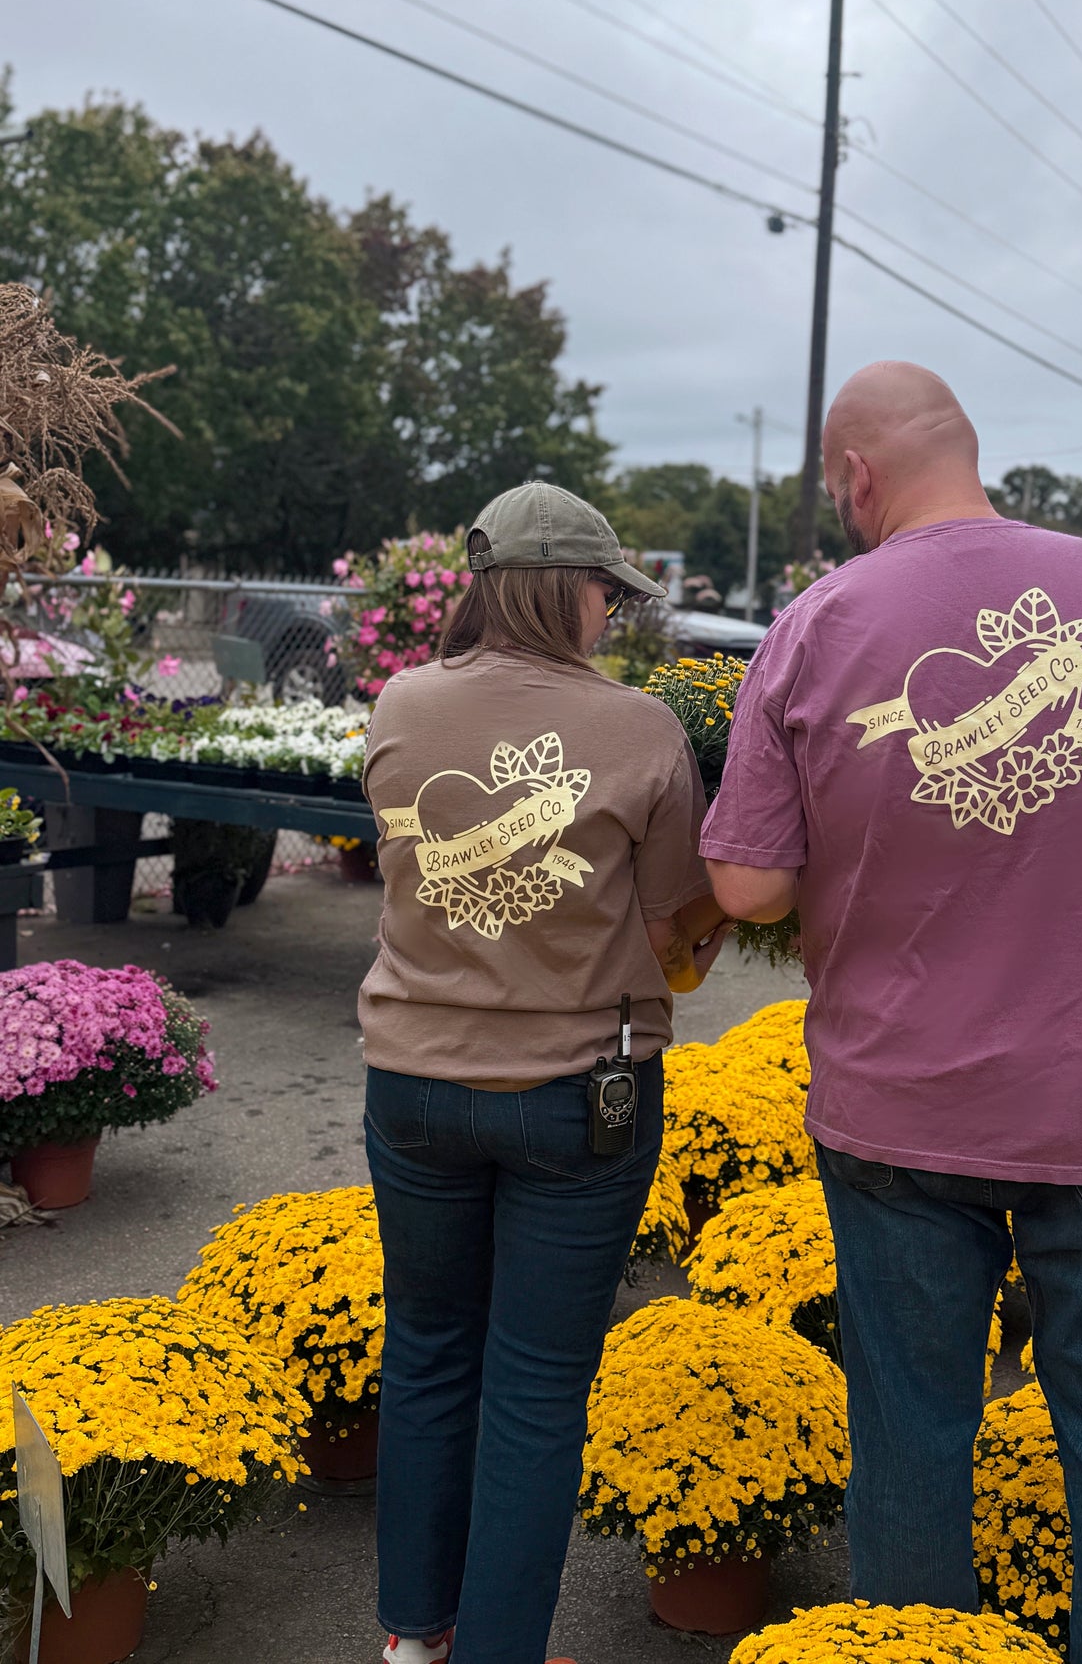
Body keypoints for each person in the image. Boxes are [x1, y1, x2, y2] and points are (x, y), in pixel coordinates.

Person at [701, 362, 1082, 1664]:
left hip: (895, 1105)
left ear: (855, 475)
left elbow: (748, 882)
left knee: (909, 1437)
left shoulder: (813, 624)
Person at [360, 481, 730, 1664]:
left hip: (410, 1077)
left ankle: (416, 1638)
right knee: (532, 1384)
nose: (612, 616)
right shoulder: (639, 729)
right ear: (571, 588)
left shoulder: (401, 702)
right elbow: (679, 930)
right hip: (580, 1093)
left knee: (424, 1349)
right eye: (607, 593)